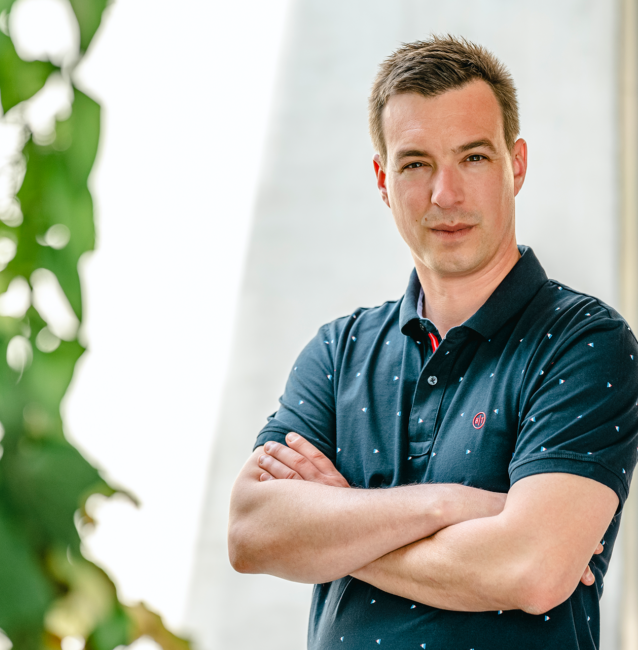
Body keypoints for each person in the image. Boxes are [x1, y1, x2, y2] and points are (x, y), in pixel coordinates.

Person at [228, 35, 638, 649]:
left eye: (473, 157)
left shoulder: (583, 344)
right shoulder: (338, 353)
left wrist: (338, 524)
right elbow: (251, 531)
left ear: (516, 165)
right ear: (382, 178)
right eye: (416, 163)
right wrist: (449, 505)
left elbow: (532, 569)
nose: (445, 194)